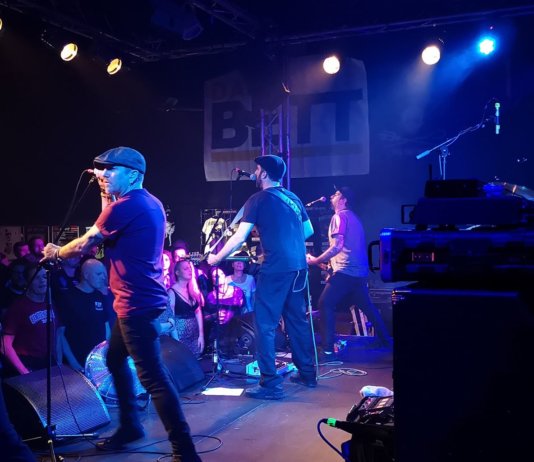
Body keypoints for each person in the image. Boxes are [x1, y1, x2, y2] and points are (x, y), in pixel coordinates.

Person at [41, 147, 201, 461]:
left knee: (153, 376)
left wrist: (56, 253)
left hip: (135, 303)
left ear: (133, 174)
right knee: (115, 359)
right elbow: (107, 219)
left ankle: (185, 450)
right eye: (102, 170)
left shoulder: (128, 205)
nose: (104, 175)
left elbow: (86, 242)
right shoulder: (148, 202)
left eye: (111, 170)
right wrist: (105, 191)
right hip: (139, 299)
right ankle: (130, 427)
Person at [207, 154, 317, 399]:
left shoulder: (257, 199)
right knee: (297, 321)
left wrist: (217, 258)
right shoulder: (293, 197)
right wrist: (286, 243)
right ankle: (308, 374)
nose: (255, 173)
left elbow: (239, 237)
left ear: (264, 173)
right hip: (299, 269)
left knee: (265, 325)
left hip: (275, 269)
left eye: (257, 170)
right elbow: (308, 230)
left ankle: (270, 385)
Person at [306, 187, 393, 359]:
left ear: (344, 200)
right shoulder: (355, 218)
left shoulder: (339, 216)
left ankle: (328, 351)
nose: (332, 196)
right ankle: (386, 341)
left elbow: (337, 246)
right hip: (358, 273)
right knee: (367, 307)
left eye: (336, 194)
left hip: (346, 272)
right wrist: (328, 266)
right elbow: (348, 250)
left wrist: (315, 261)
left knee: (325, 303)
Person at [56, 259, 114, 373]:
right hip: (76, 362)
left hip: (97, 362)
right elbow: (60, 334)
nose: (103, 277)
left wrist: (107, 354)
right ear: (86, 275)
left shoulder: (99, 296)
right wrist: (73, 363)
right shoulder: (68, 297)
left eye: (104, 274)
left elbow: (106, 326)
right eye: (99, 274)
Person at [1, 264, 59, 376]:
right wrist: (25, 372)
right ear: (28, 282)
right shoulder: (18, 307)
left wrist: (58, 362)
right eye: (37, 278)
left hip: (47, 362)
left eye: (44, 277)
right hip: (28, 363)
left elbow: (57, 335)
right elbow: (5, 345)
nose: (42, 281)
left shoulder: (50, 303)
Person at [166, 259, 204, 357]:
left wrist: (201, 335)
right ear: (177, 272)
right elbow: (171, 318)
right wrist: (176, 342)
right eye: (186, 268)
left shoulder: (191, 291)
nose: (189, 270)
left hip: (194, 337)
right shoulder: (172, 292)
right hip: (180, 337)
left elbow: (198, 312)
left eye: (190, 268)